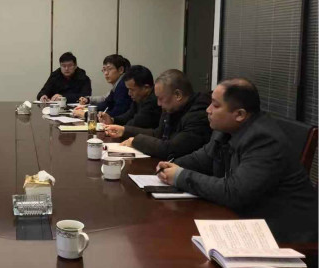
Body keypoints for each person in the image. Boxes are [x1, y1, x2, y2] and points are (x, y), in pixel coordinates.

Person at [156, 79, 318, 243]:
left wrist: (180, 176)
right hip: (245, 220)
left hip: (282, 236)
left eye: (215, 105)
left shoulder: (263, 139)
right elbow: (202, 158)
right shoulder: (226, 129)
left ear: (239, 114)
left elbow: (234, 192)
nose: (208, 110)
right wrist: (172, 166)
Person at [106, 69, 211, 159]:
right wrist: (124, 130)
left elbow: (171, 149)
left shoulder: (199, 115)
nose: (158, 104)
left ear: (178, 95)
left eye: (161, 98)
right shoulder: (172, 108)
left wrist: (136, 141)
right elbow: (158, 134)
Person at [74, 54, 131, 120]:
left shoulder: (123, 85)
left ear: (121, 70)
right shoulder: (118, 84)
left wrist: (86, 114)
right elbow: (106, 104)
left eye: (109, 69)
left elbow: (116, 113)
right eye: (104, 70)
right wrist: (89, 109)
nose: (106, 73)